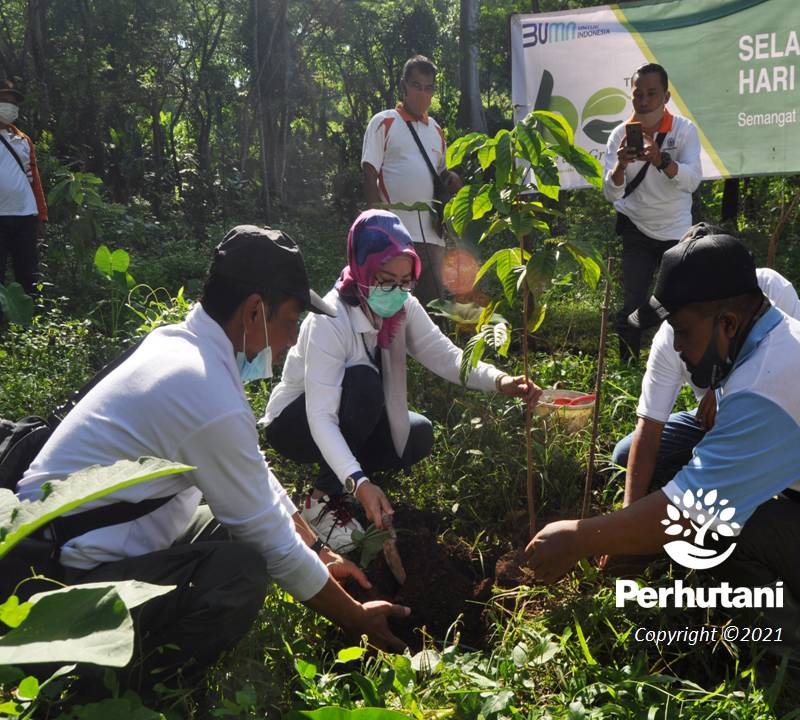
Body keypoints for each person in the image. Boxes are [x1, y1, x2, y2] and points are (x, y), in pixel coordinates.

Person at [526, 230, 800, 690]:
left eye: (684, 332)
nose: (675, 347)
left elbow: (692, 512)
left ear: (728, 323)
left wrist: (577, 537)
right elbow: (653, 442)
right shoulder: (773, 338)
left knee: (724, 532)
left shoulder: (769, 385)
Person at [16, 226, 409, 692]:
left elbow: (252, 476)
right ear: (254, 311)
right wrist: (356, 619)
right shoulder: (204, 390)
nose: (288, 342)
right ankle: (117, 686)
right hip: (53, 582)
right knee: (241, 572)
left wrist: (319, 552)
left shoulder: (181, 348)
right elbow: (272, 545)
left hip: (71, 543)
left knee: (228, 519)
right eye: (289, 322)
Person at [262, 210, 541, 550]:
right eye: (384, 279)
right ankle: (322, 501)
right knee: (364, 382)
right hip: (296, 425)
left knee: (417, 434)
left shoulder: (404, 306)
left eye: (404, 280)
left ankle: (349, 474)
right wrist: (359, 482)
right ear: (362, 268)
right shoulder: (331, 320)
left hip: (346, 418)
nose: (395, 290)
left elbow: (446, 356)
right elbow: (321, 417)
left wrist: (500, 381)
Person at [612, 223, 800, 506]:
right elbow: (649, 429)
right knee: (626, 455)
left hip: (783, 423)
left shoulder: (768, 290)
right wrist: (628, 517)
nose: (680, 344)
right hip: (719, 427)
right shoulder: (671, 336)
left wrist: (721, 389)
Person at [602, 63, 701, 362]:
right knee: (632, 303)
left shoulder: (684, 130)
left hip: (677, 230)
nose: (644, 101)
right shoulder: (619, 135)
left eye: (652, 94)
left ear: (666, 96)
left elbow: (692, 181)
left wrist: (661, 160)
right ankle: (628, 367)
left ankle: (681, 367)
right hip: (637, 229)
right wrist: (620, 165)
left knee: (680, 303)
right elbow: (611, 193)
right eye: (638, 95)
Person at [361, 55, 462, 306]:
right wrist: (376, 226)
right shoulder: (383, 122)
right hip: (394, 237)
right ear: (404, 85)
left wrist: (454, 180)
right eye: (417, 86)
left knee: (431, 316)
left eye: (428, 88)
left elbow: (441, 176)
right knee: (390, 313)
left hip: (433, 241)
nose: (422, 94)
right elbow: (369, 170)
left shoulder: (436, 130)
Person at [0, 80, 47, 299]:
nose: (10, 107)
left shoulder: (23, 140)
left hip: (25, 215)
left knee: (28, 272)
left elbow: (33, 179)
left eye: (14, 104)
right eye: (5, 101)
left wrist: (41, 216)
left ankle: (29, 319)